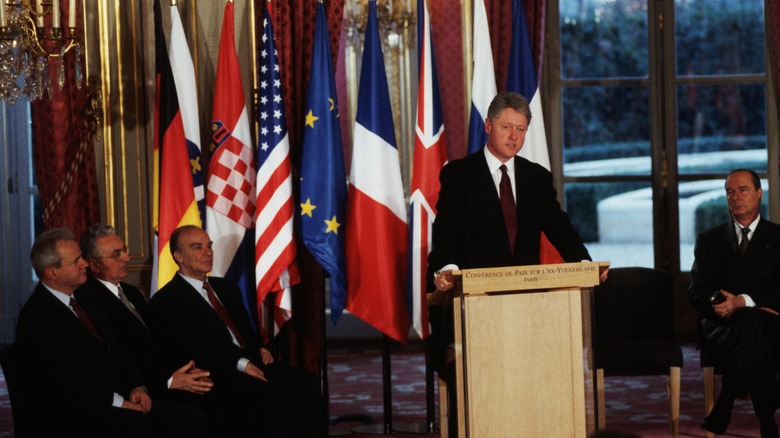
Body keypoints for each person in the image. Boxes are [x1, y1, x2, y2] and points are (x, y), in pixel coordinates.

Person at [426, 91, 603, 436]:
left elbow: (559, 227)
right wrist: (445, 265)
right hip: (475, 308)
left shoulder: (536, 177)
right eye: (506, 127)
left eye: (521, 130)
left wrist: (585, 263)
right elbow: (445, 230)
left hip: (528, 307)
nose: (513, 137)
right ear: (488, 126)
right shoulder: (460, 175)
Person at [15, 228, 207, 437]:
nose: (85, 264)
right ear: (52, 272)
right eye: (77, 260)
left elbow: (119, 349)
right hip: (76, 411)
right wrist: (120, 402)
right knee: (147, 426)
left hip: (120, 393)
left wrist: (138, 386)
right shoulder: (36, 318)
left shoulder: (85, 300)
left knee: (194, 417)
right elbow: (66, 382)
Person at [147, 225, 320, 437]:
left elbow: (244, 330)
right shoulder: (168, 300)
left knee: (306, 383)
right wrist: (242, 363)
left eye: (209, 245)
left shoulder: (225, 288)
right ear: (179, 256)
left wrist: (259, 348)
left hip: (249, 360)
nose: (208, 252)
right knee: (266, 395)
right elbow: (199, 346)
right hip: (215, 372)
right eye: (197, 247)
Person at [77, 223, 232, 436]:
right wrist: (168, 381)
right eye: (116, 255)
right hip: (139, 390)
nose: (126, 258)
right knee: (202, 413)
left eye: (124, 250)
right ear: (94, 265)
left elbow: (159, 342)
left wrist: (185, 371)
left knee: (225, 397)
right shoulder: (90, 302)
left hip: (162, 377)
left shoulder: (131, 292)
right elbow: (121, 357)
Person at [689, 168, 780, 438]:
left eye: (743, 190)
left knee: (752, 322)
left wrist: (742, 301)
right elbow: (696, 291)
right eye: (730, 192)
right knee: (752, 329)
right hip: (723, 326)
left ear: (759, 194)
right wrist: (718, 301)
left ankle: (726, 400)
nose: (735, 197)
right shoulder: (710, 240)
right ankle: (767, 418)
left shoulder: (778, 238)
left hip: (770, 323)